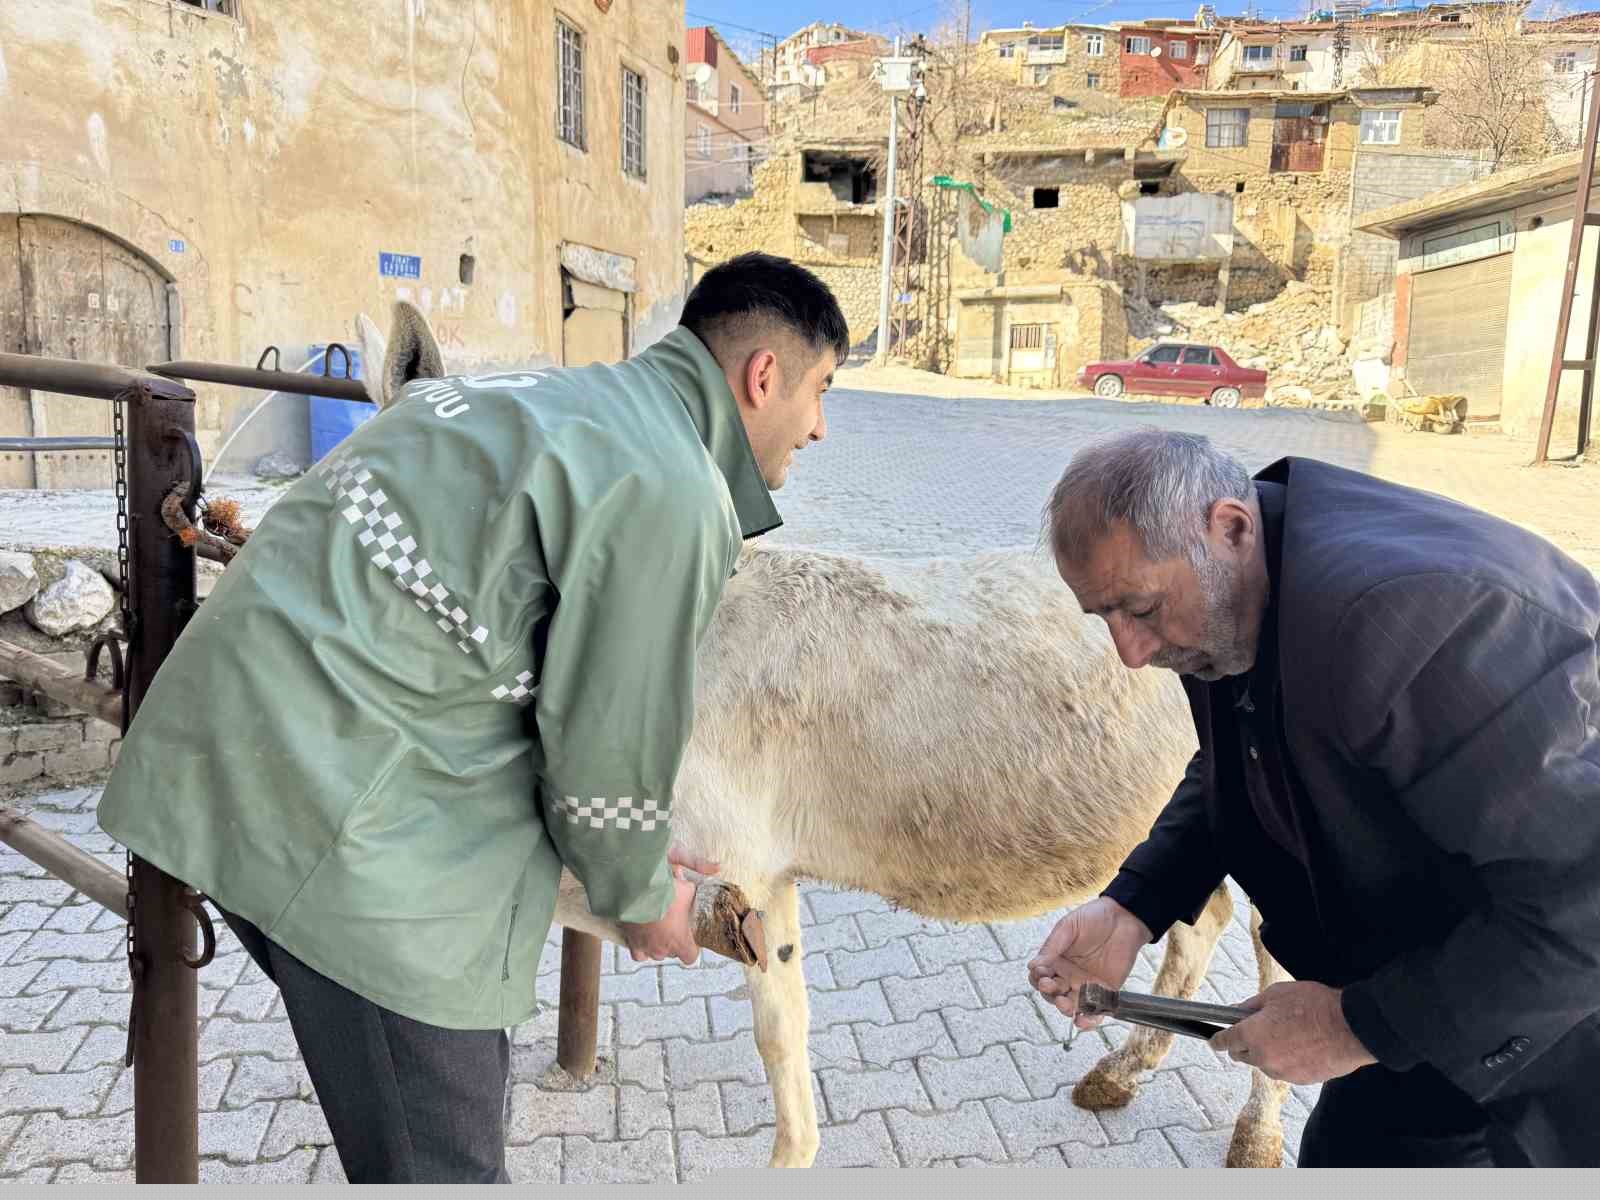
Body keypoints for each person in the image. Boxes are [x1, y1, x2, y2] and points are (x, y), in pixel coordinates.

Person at [98, 252, 845, 1182]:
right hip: (345, 825)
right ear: (763, 376)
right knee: (442, 1159)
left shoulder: (546, 397)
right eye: (819, 391)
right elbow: (605, 750)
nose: (817, 428)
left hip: (223, 748)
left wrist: (640, 860)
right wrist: (647, 896)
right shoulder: (669, 484)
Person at [1028, 428, 1600, 1167]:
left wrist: (1350, 1027)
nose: (1130, 653)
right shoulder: (1232, 592)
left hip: (1540, 1028)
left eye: (1137, 609)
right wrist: (1133, 904)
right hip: (1405, 987)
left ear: (1229, 527)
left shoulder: (1419, 623)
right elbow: (1239, 762)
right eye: (1102, 617)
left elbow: (1584, 908)